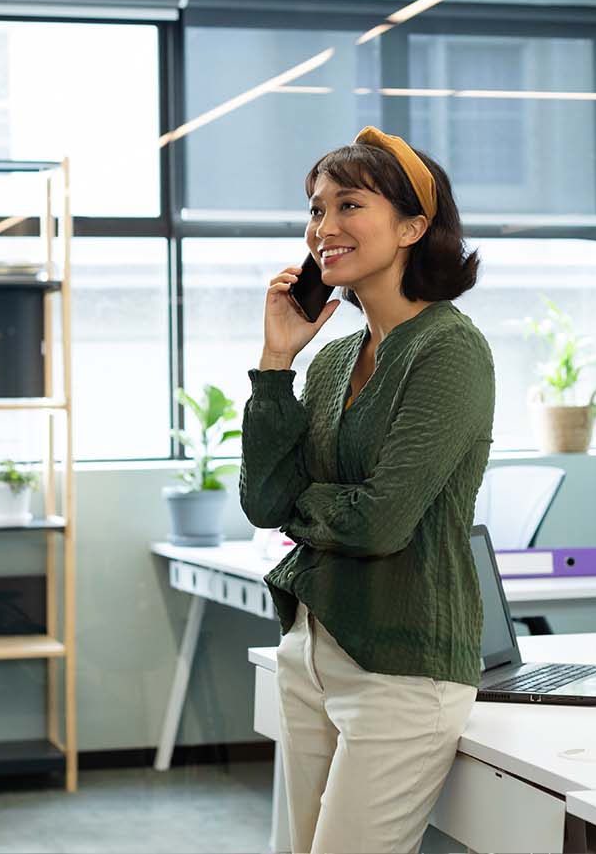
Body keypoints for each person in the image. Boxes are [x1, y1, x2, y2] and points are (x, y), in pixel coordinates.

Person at [239, 127, 494, 853]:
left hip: (401, 665)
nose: (324, 227)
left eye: (349, 204)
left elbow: (381, 520)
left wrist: (301, 507)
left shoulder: (450, 348)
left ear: (414, 225)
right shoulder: (330, 362)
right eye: (316, 208)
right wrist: (276, 359)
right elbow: (263, 501)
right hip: (311, 646)